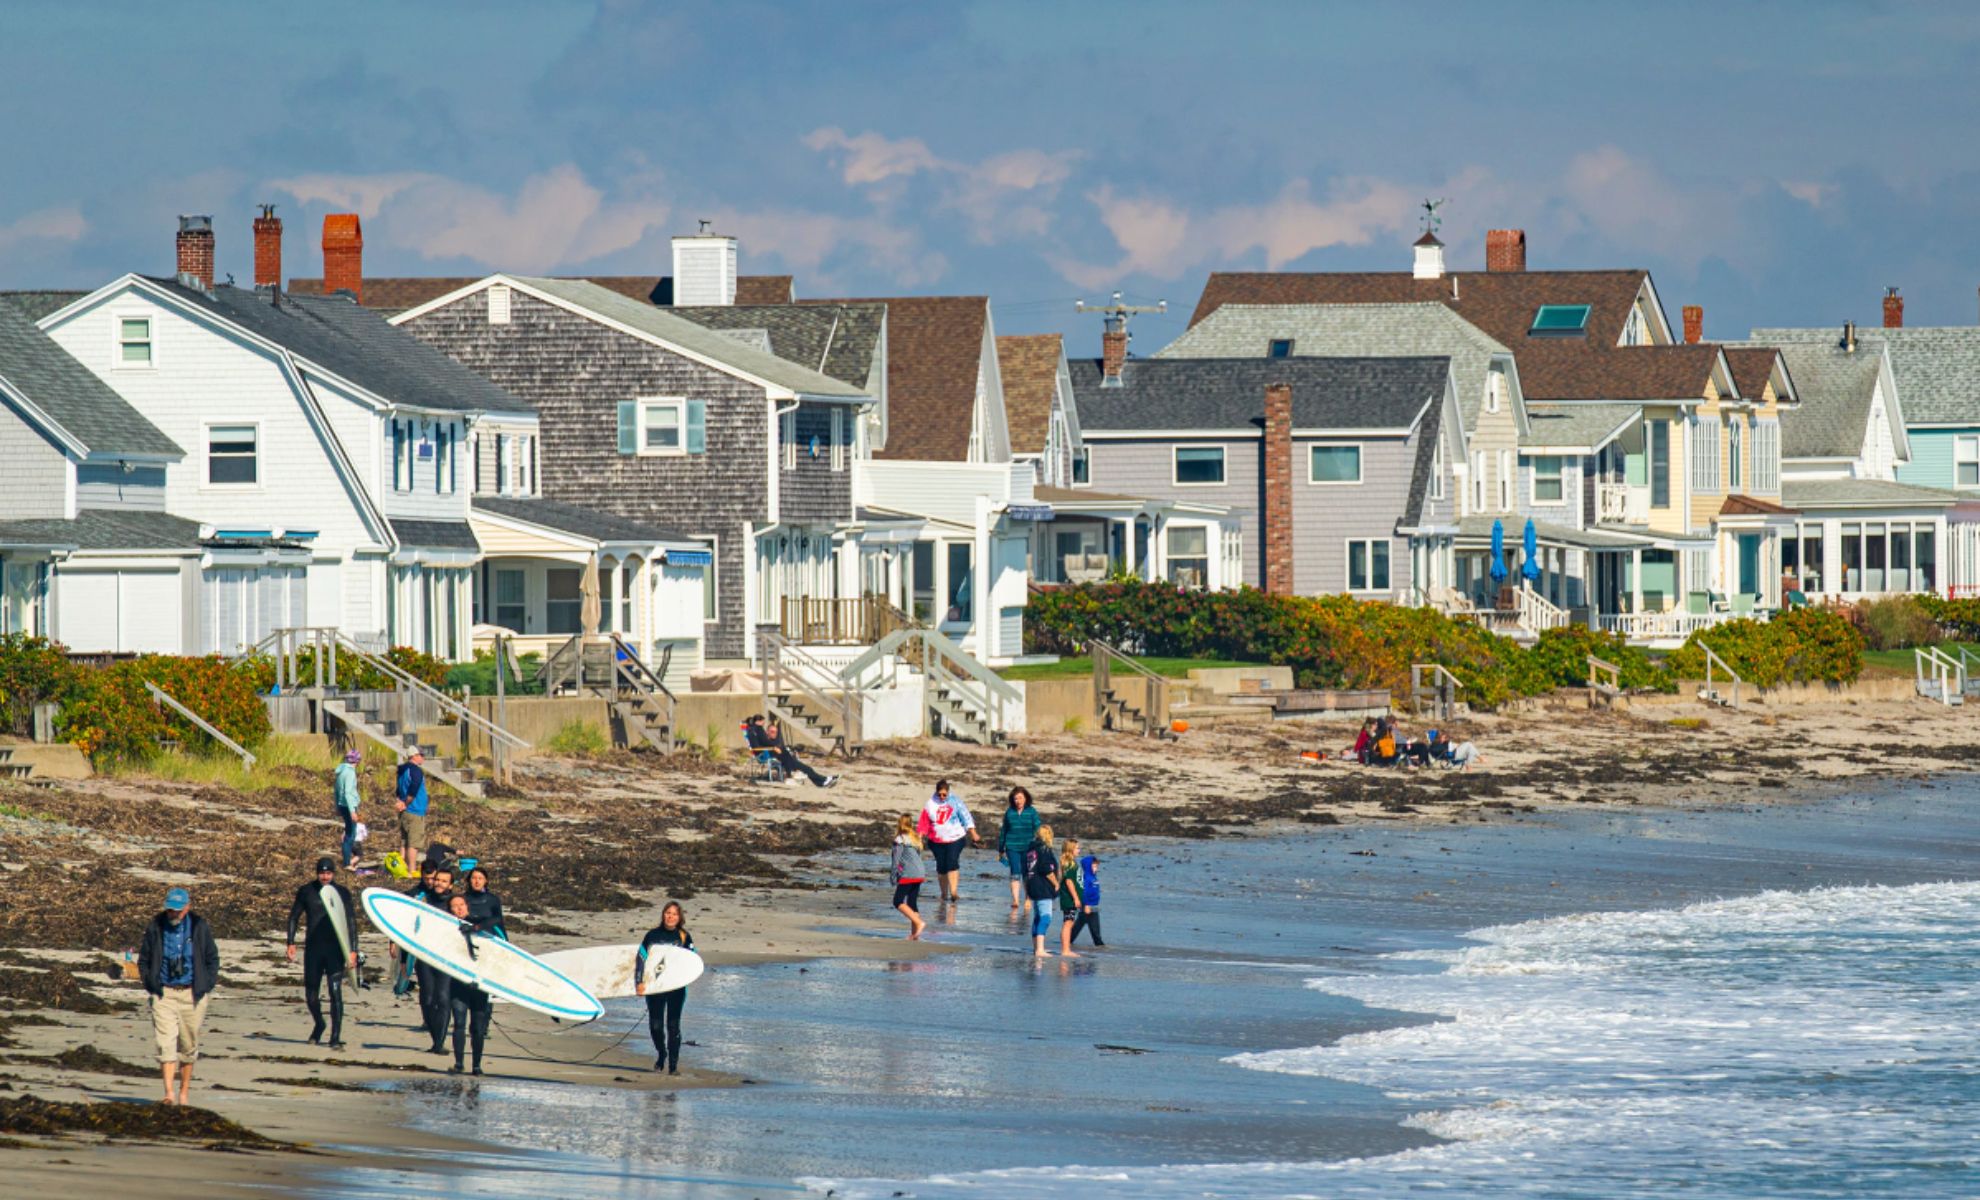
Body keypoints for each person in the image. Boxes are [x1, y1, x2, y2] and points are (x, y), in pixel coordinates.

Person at [137, 886, 220, 1107]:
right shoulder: (156, 927)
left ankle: (184, 1092)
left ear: (187, 908)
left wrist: (206, 984)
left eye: (177, 910)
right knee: (165, 1044)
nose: (173, 914)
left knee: (187, 1047)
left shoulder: (199, 927)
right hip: (164, 993)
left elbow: (212, 958)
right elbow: (144, 959)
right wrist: (151, 984)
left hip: (192, 994)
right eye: (170, 910)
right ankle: (168, 1093)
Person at [286, 857, 359, 1049]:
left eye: (328, 873)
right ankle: (319, 1024)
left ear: (334, 873)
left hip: (335, 949)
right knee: (311, 996)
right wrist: (290, 942)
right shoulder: (306, 891)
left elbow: (350, 922)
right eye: (321, 873)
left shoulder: (342, 893)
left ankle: (335, 1037)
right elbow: (294, 917)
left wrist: (353, 950)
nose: (325, 877)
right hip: (313, 949)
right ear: (317, 873)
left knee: (335, 992)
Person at [634, 902, 696, 1074]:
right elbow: (641, 959)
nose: (670, 917)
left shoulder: (684, 936)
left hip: (676, 988)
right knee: (655, 1026)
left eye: (674, 914)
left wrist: (687, 977)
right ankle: (662, 1053)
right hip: (655, 988)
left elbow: (693, 960)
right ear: (663, 915)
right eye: (668, 913)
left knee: (673, 1026)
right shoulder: (652, 935)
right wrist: (639, 982)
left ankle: (673, 1066)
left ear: (680, 917)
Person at [444, 894, 492, 1075]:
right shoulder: (447, 928)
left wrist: (475, 928)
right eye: (454, 906)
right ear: (450, 910)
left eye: (462, 905)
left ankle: (477, 1065)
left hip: (479, 984)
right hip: (458, 983)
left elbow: (492, 946)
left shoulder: (481, 924)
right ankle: (458, 1063)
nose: (459, 909)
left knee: (478, 1027)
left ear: (467, 906)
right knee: (459, 1023)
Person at [413, 863, 456, 1054]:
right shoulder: (425, 900)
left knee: (443, 998)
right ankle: (435, 1038)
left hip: (446, 957)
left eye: (443, 881)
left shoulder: (455, 903)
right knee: (428, 999)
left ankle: (439, 1043)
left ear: (450, 885)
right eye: (437, 879)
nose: (439, 883)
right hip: (425, 956)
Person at [917, 780, 979, 903]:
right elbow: (924, 822)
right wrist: (919, 837)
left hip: (955, 838)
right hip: (936, 840)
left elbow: (966, 817)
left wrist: (973, 833)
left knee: (952, 862)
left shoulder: (955, 801)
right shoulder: (930, 803)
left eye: (944, 794)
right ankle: (944, 893)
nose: (941, 797)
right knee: (941, 866)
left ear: (948, 792)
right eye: (939, 794)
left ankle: (954, 892)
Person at [760, 715, 839, 789]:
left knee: (807, 769)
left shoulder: (774, 740)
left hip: (787, 760)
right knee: (806, 769)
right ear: (767, 732)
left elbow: (780, 746)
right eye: (772, 732)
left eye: (776, 732)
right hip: (782, 760)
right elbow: (767, 749)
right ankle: (823, 781)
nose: (774, 734)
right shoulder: (766, 741)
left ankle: (823, 781)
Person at [997, 786, 1043, 911]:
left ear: (1026, 798)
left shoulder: (1031, 811)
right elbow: (1004, 831)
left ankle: (1028, 898)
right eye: (1015, 798)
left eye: (1020, 798)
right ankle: (1016, 900)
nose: (1018, 801)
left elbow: (1038, 827)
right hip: (1012, 846)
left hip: (1029, 847)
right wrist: (1001, 848)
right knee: (1015, 872)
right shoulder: (1009, 812)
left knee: (1028, 873)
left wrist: (1042, 842)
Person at [1021, 825, 1061, 958]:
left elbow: (1025, 873)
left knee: (1038, 917)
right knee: (1045, 917)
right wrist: (1056, 883)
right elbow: (1046, 869)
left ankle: (1036, 948)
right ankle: (1040, 949)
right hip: (1043, 887)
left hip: (1032, 885)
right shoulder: (1044, 850)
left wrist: (1027, 894)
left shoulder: (1029, 850)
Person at [890, 815, 928, 939]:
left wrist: (893, 877)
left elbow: (896, 860)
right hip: (920, 872)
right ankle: (915, 934)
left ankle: (919, 923)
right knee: (912, 902)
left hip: (909, 873)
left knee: (897, 901)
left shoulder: (900, 840)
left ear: (899, 824)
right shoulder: (915, 839)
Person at [395, 750, 430, 868]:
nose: (423, 758)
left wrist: (399, 801)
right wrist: (405, 803)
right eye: (421, 755)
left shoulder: (402, 769)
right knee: (413, 843)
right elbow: (413, 790)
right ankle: (411, 869)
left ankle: (402, 868)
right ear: (414, 756)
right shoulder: (415, 770)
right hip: (415, 810)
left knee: (404, 841)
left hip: (405, 811)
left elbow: (398, 788)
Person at [1070, 845, 1104, 947]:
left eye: (1097, 866)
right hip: (1088, 907)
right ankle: (1099, 945)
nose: (1096, 868)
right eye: (1094, 866)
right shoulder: (1086, 878)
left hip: (1093, 907)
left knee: (1079, 925)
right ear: (1088, 866)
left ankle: (1068, 939)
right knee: (1094, 930)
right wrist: (1087, 905)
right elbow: (1084, 893)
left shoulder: (1094, 877)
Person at [333, 750, 363, 868]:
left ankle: (348, 860)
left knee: (349, 832)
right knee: (350, 834)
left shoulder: (341, 770)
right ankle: (347, 863)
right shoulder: (350, 773)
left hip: (342, 804)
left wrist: (337, 806)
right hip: (348, 806)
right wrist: (352, 811)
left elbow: (336, 791)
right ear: (356, 761)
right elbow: (348, 793)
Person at [1056, 837, 1084, 959]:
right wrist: (1076, 898)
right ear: (1070, 849)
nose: (1079, 850)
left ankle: (1066, 949)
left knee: (1069, 922)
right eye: (1077, 848)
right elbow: (1069, 882)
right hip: (1069, 899)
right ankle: (1065, 950)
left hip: (1071, 898)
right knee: (1068, 923)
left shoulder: (1072, 863)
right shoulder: (1069, 864)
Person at [464, 865, 505, 941]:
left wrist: (477, 927)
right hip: (466, 936)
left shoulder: (493, 900)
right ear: (469, 880)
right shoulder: (462, 899)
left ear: (485, 881)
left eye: (480, 878)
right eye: (474, 878)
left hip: (488, 938)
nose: (477, 881)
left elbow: (498, 920)